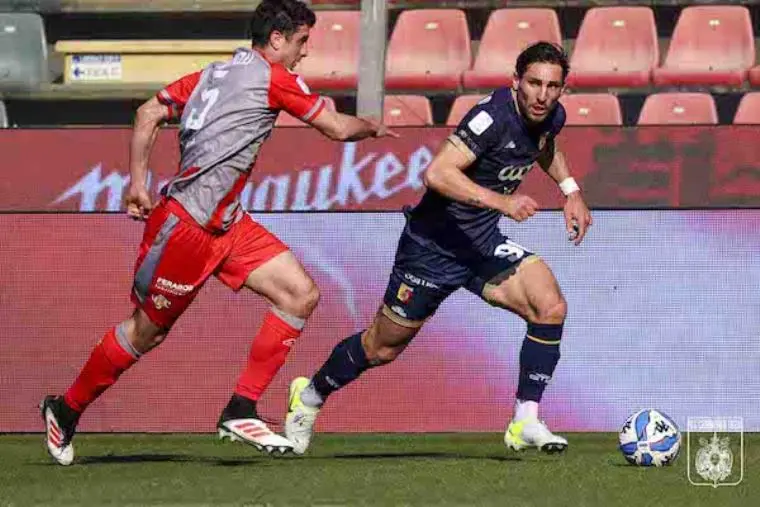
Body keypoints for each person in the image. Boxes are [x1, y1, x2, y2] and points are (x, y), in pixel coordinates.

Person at [40, 0, 397, 466]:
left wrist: (138, 182)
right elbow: (334, 127)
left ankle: (241, 407)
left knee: (299, 295)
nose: (303, 53)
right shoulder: (273, 77)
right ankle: (64, 410)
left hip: (228, 223)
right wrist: (369, 125)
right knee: (145, 333)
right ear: (276, 40)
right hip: (186, 228)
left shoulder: (213, 73)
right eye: (301, 41)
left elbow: (149, 112)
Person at [284, 42, 592, 455]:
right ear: (515, 82)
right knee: (381, 347)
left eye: (553, 86)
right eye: (534, 83)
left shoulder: (550, 115)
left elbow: (544, 145)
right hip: (432, 248)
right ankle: (309, 398)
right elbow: (437, 173)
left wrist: (570, 190)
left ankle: (525, 420)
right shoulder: (490, 119)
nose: (543, 94)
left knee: (549, 306)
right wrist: (502, 202)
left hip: (481, 244)